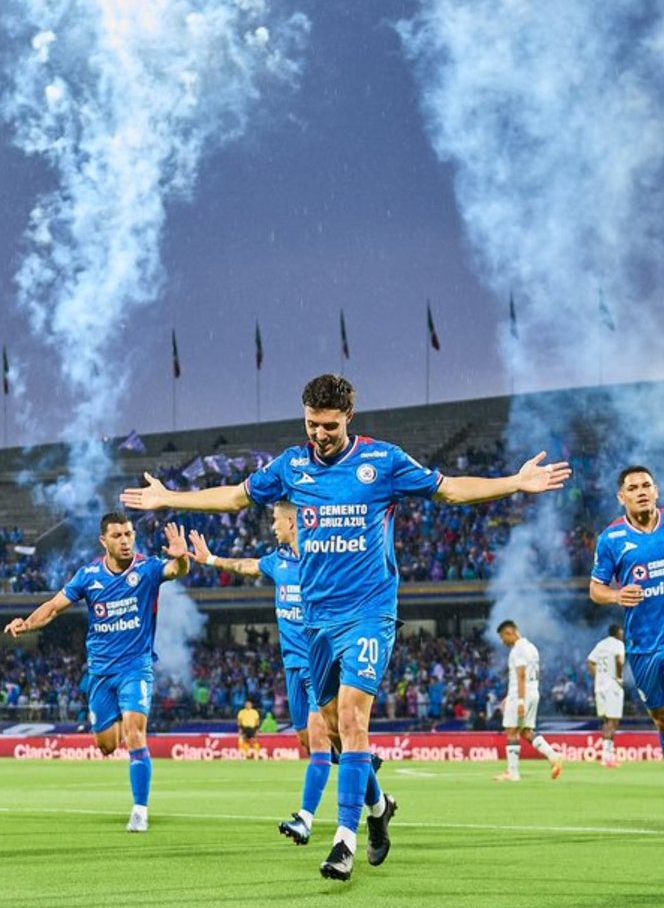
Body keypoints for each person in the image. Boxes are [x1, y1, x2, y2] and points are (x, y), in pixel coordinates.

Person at [121, 372, 570, 880]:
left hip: (370, 613)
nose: (319, 434)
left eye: (329, 426)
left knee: (355, 721)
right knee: (333, 734)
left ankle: (344, 840)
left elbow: (449, 491)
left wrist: (514, 482)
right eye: (312, 424)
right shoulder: (291, 466)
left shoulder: (383, 462)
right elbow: (233, 498)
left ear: (348, 418)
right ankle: (380, 809)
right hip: (317, 620)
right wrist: (170, 498)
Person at [186, 502, 388, 845]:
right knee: (312, 741)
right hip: (292, 664)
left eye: (276, 520)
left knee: (322, 741)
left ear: (292, 521)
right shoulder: (278, 561)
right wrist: (209, 559)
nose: (273, 525)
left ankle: (305, 819)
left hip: (319, 660)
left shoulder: (322, 557)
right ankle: (377, 797)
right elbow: (247, 566)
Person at [3, 511, 189, 832]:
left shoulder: (147, 568)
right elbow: (54, 606)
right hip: (101, 672)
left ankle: (140, 810)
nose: (126, 540)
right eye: (118, 536)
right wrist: (27, 623)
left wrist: (182, 557)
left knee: (135, 733)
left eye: (129, 534)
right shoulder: (88, 576)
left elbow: (176, 570)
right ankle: (111, 724)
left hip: (136, 666)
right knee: (106, 745)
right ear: (104, 541)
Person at [590, 465, 664, 833]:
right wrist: (616, 595)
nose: (641, 491)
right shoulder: (612, 540)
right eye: (632, 487)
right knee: (663, 721)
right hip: (643, 645)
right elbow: (596, 590)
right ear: (621, 497)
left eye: (646, 485)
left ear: (656, 491)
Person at [494, 620, 563, 781]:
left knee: (511, 731)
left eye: (503, 637)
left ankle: (513, 773)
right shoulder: (532, 648)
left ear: (509, 632)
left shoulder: (518, 650)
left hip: (521, 694)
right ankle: (553, 755)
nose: (503, 642)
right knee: (526, 731)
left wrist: (519, 701)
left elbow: (521, 674)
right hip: (533, 692)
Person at [587, 624, 625, 767]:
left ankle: (606, 755)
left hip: (600, 687)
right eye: (621, 632)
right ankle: (608, 757)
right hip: (612, 687)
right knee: (613, 721)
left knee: (606, 721)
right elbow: (619, 660)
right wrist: (620, 677)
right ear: (617, 633)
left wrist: (597, 677)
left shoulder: (601, 644)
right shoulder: (618, 644)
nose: (622, 635)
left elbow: (590, 661)